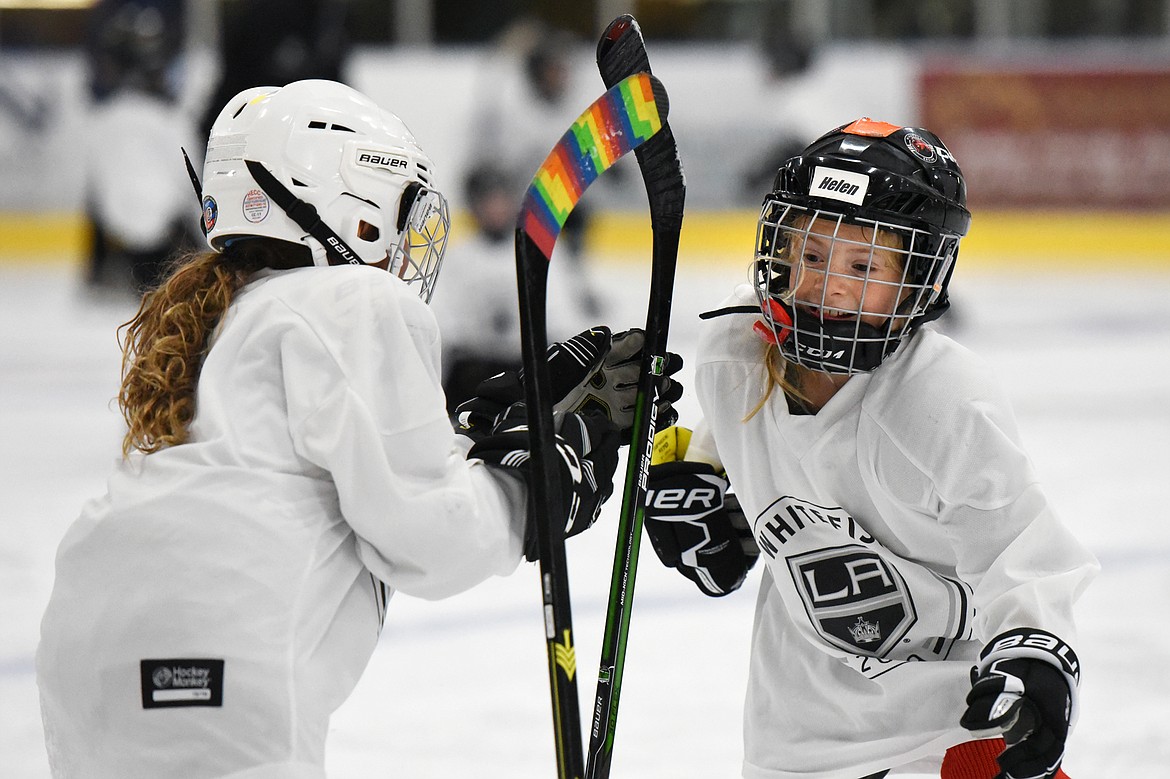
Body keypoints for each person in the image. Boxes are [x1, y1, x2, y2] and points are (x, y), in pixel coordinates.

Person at [36, 79, 672, 779]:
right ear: (354, 204)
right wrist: (542, 481)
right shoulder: (350, 297)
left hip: (83, 657)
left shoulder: (220, 320)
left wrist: (472, 439)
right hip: (210, 662)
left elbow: (321, 482)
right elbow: (434, 536)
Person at [641, 118, 1098, 779]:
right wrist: (700, 479)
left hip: (951, 719)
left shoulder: (940, 401)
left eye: (863, 265)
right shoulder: (733, 350)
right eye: (814, 254)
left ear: (918, 281)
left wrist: (1035, 657)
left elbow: (1024, 552)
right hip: (798, 736)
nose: (830, 285)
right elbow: (737, 439)